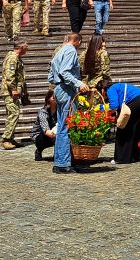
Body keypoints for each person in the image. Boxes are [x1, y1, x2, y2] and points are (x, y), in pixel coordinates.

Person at [48, 32, 91, 174]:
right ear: (77, 41)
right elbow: (65, 72)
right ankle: (64, 163)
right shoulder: (71, 51)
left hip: (58, 89)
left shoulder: (59, 51)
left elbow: (51, 75)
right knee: (67, 126)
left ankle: (60, 161)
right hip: (67, 90)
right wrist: (79, 83)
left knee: (61, 126)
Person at [106, 81, 140, 165]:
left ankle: (122, 158)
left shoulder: (111, 89)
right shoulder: (122, 85)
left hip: (138, 101)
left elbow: (114, 106)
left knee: (124, 128)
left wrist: (110, 114)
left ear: (102, 89)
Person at [0, 40, 29, 150]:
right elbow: (10, 76)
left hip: (14, 91)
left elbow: (20, 77)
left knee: (12, 113)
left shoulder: (16, 57)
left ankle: (10, 138)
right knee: (14, 113)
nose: (28, 49)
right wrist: (13, 89)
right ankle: (6, 139)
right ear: (21, 47)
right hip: (9, 92)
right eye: (26, 47)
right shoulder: (13, 58)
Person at [31, 88, 58, 162]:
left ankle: (57, 154)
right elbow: (45, 129)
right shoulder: (43, 111)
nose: (54, 97)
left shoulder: (60, 110)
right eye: (52, 96)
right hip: (40, 134)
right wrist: (54, 134)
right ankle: (39, 150)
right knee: (55, 137)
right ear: (48, 99)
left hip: (54, 132)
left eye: (55, 96)